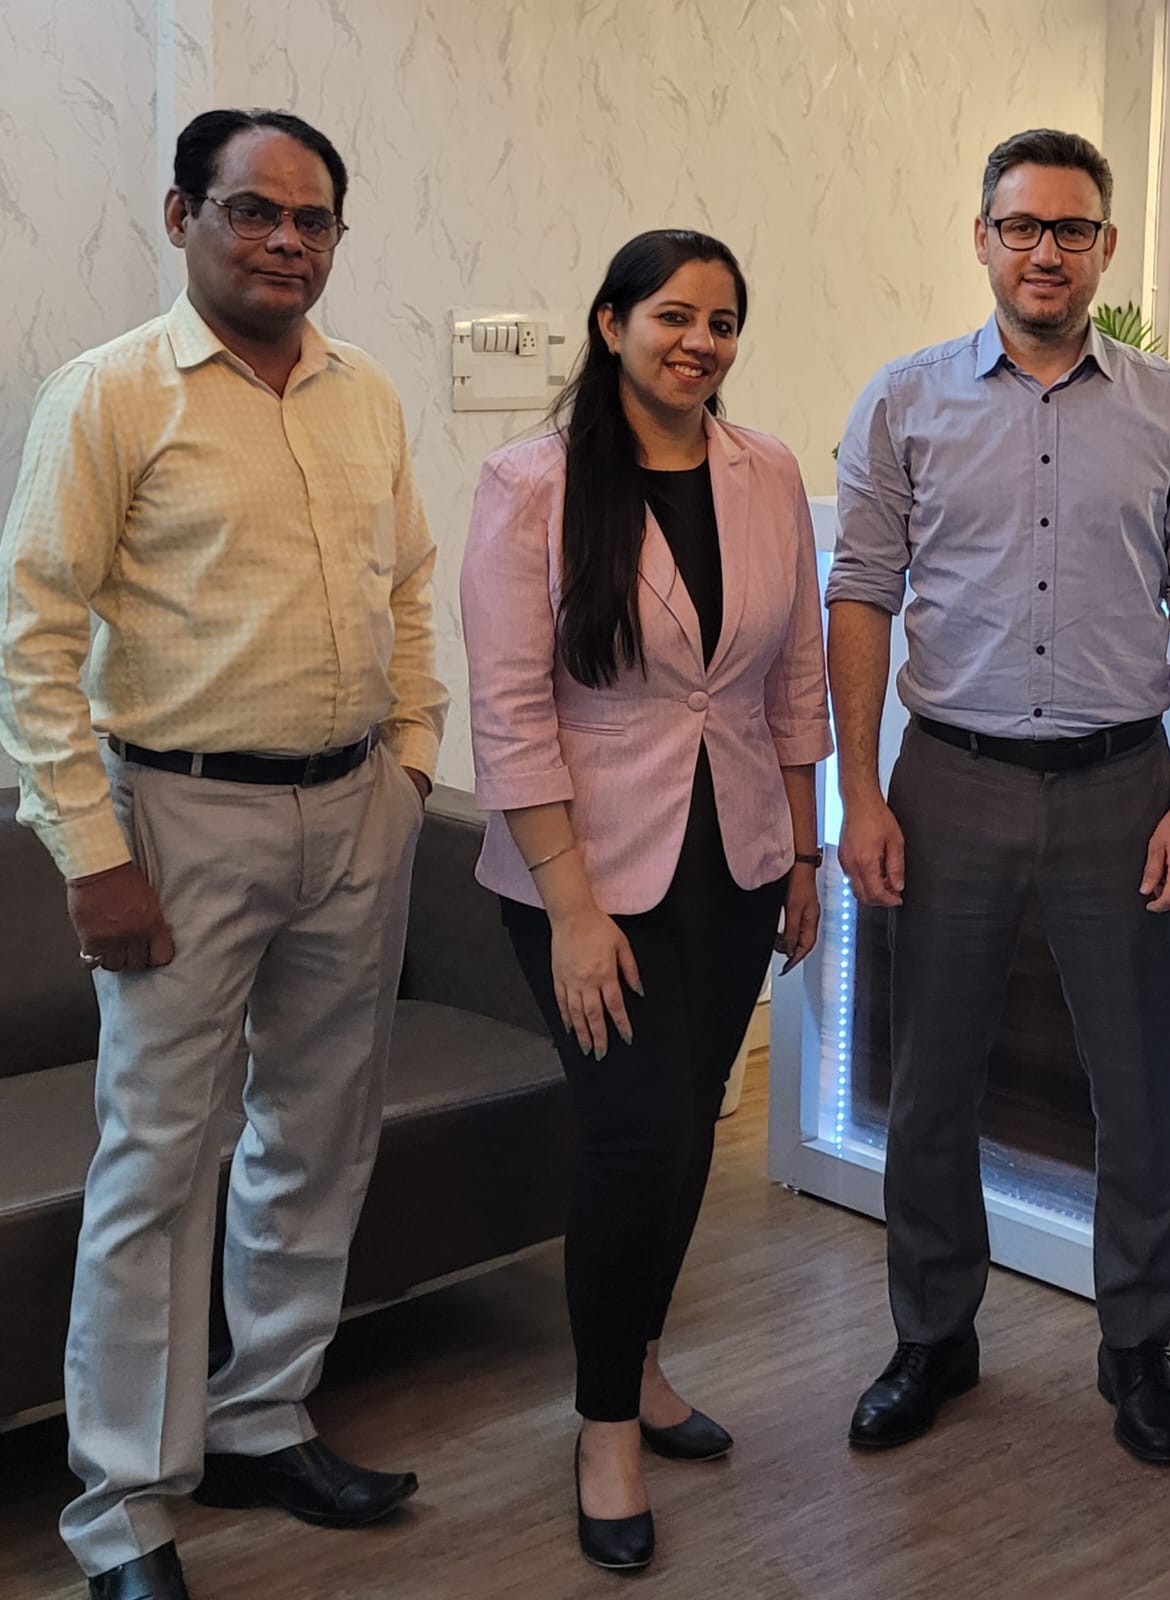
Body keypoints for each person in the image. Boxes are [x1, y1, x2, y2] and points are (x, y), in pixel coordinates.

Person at [0, 108, 447, 1600]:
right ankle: (124, 1506)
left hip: (355, 809)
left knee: (321, 1130)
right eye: (255, 211)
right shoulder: (110, 394)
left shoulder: (363, 393)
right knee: (158, 1159)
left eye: (314, 220)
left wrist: (412, 763)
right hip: (179, 820)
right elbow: (32, 639)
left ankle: (263, 1414)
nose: (286, 243)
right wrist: (91, 852)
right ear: (183, 214)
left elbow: (407, 588)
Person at [829, 128, 1170, 1465]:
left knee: (1140, 1088)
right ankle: (933, 1334)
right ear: (983, 239)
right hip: (948, 783)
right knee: (929, 1080)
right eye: (1021, 227)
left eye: (1071, 229)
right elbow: (861, 594)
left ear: (1105, 247)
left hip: (1124, 788)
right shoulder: (904, 402)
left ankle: (1137, 1347)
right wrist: (861, 794)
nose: (1045, 252)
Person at [461, 228, 831, 1572]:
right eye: (675, 316)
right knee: (633, 1139)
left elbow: (793, 674)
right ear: (611, 324)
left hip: (733, 857)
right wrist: (571, 913)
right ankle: (604, 1426)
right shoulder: (532, 485)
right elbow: (510, 715)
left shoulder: (766, 470)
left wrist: (804, 850)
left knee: (686, 1130)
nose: (701, 343)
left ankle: (642, 1356)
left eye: (723, 323)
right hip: (588, 876)